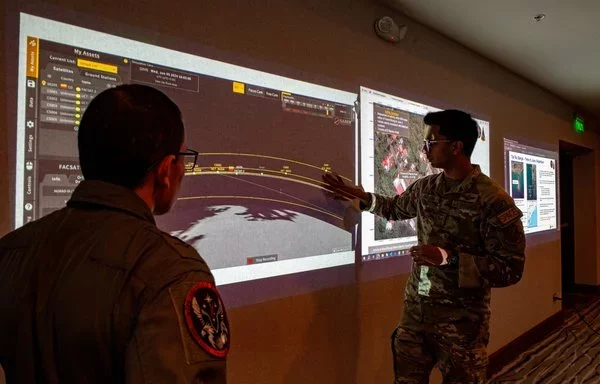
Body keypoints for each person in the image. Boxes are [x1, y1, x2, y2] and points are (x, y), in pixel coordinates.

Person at [0, 84, 229, 383]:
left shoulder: (11, 251)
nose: (183, 171)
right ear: (165, 170)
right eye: (183, 159)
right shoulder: (171, 271)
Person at [323, 109, 525, 383]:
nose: (424, 148)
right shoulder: (427, 188)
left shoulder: (493, 200)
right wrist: (362, 197)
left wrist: (448, 258)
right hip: (416, 316)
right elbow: (395, 208)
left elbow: (510, 269)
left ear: (456, 147)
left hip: (462, 325)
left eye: (431, 142)